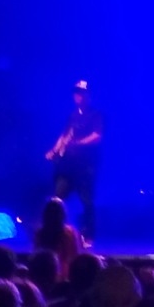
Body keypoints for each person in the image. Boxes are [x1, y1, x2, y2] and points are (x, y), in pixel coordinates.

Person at [46, 79, 103, 243]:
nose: (79, 96)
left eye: (82, 93)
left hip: (85, 166)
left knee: (86, 201)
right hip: (69, 166)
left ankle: (88, 235)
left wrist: (79, 143)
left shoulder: (96, 115)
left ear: (89, 95)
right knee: (58, 198)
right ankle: (55, 233)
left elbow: (97, 136)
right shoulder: (72, 116)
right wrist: (54, 150)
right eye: (77, 93)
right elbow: (64, 136)